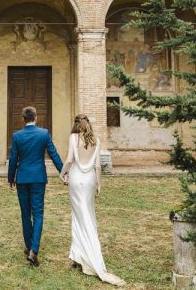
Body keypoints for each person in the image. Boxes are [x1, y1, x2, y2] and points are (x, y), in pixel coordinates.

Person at [60, 114, 125, 286]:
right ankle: (78, 255)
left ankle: (84, 256)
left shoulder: (73, 138)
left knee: (78, 216)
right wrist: (99, 185)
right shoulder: (96, 140)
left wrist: (61, 174)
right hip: (89, 180)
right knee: (87, 214)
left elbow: (69, 160)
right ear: (87, 124)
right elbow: (97, 166)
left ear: (76, 125)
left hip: (75, 179)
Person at [8, 106, 63, 267]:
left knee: (25, 213)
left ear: (23, 119)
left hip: (22, 178)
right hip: (38, 178)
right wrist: (63, 172)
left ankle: (29, 246)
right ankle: (34, 250)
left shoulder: (17, 136)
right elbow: (54, 154)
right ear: (36, 118)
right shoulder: (44, 134)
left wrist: (11, 178)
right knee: (38, 213)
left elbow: (13, 159)